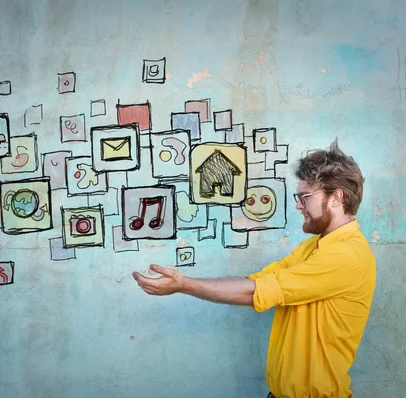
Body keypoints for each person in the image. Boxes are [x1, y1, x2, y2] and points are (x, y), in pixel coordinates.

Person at [132, 140, 376, 398]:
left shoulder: (348, 255)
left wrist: (183, 285)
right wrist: (184, 283)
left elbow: (255, 292)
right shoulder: (313, 248)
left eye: (305, 197)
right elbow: (256, 283)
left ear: (336, 197)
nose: (298, 205)